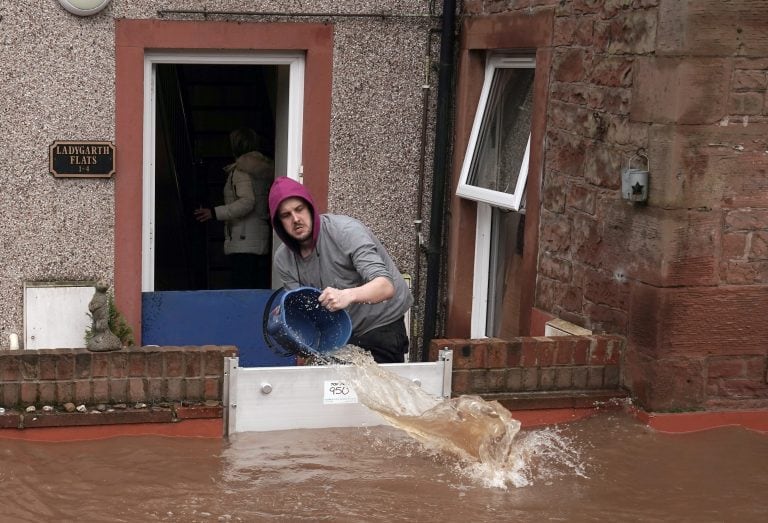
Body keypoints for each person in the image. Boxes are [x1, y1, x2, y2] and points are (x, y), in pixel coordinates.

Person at [268, 176, 413, 363]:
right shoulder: (283, 259)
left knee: (375, 390)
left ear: (310, 208)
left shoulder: (346, 231)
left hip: (380, 323)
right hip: (336, 332)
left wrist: (347, 295)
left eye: (299, 209)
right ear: (278, 223)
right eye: (286, 215)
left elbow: (385, 286)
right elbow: (303, 311)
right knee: (330, 389)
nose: (296, 219)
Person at [194, 128, 273, 289]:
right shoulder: (263, 170)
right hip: (260, 236)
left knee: (242, 289)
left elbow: (247, 202)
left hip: (243, 238)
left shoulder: (240, 171)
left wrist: (215, 212)